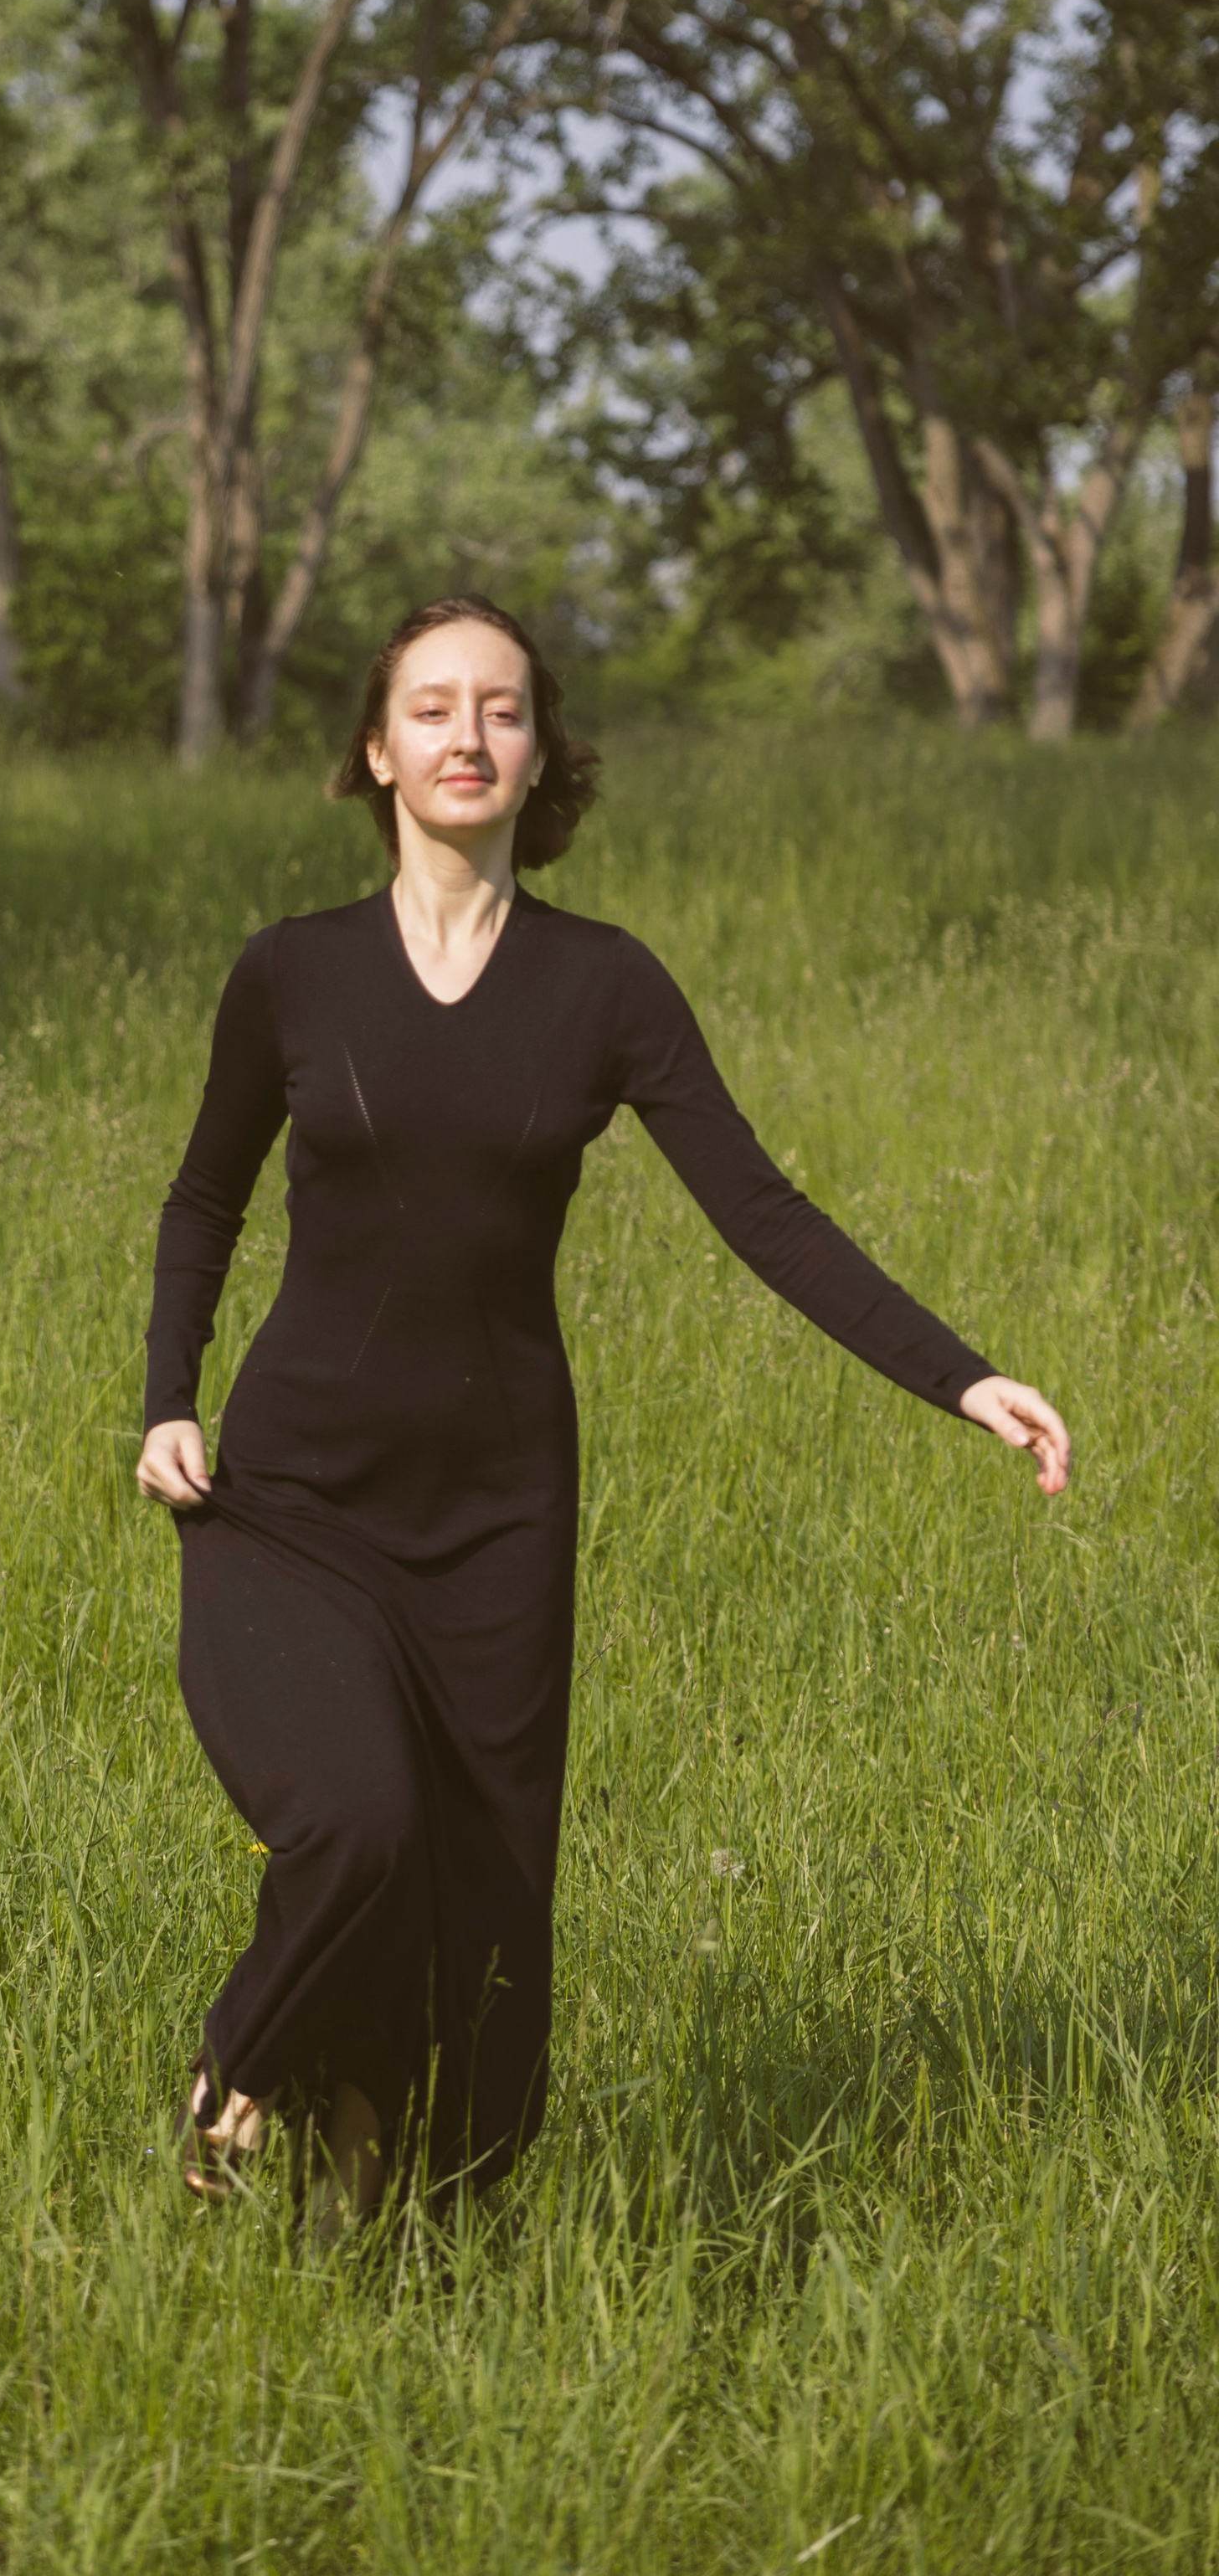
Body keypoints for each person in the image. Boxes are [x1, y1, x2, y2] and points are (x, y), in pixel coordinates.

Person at [138, 597, 1069, 2233]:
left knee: (484, 1914)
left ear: (538, 751)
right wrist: (163, 1402)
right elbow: (203, 1196)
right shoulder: (288, 972)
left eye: (499, 710)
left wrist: (958, 1372)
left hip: (496, 1518)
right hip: (289, 1495)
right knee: (354, 1820)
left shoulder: (600, 985)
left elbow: (759, 1212)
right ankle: (237, 2069)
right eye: (429, 708)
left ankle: (405, 2242)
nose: (464, 737)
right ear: (375, 750)